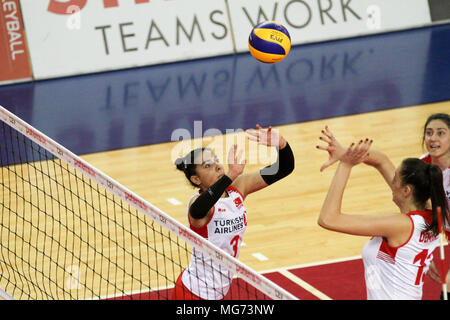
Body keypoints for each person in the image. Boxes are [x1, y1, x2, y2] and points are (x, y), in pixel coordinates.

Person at [317, 113, 450, 299]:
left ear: (407, 191)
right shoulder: (433, 216)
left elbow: (328, 219)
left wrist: (346, 164)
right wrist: (347, 153)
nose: (391, 182)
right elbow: (382, 160)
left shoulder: (400, 225)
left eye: (395, 178)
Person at [171, 125, 294, 300]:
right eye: (208, 166)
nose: (218, 167)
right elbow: (197, 211)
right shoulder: (198, 204)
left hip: (217, 291)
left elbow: (284, 168)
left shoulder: (238, 187)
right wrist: (231, 175)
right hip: (193, 293)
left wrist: (281, 144)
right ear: (196, 179)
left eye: (216, 161)